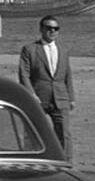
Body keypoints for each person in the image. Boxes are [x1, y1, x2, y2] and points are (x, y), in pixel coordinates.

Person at [18, 15, 75, 160]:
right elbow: (24, 74)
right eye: (49, 28)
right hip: (38, 98)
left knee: (64, 134)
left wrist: (71, 98)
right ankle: (31, 162)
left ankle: (65, 164)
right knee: (33, 132)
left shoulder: (64, 50)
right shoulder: (29, 49)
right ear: (41, 29)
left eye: (55, 28)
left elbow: (67, 75)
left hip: (60, 98)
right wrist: (31, 94)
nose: (52, 31)